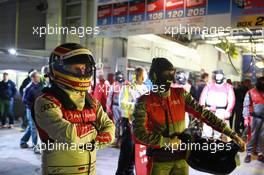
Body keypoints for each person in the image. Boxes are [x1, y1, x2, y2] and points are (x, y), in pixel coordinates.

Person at [132, 58, 245, 175]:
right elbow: (138, 134)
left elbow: (205, 115)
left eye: (171, 74)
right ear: (154, 75)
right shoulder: (144, 101)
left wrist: (232, 134)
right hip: (159, 160)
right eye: (166, 74)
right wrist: (166, 142)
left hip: (182, 158)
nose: (169, 78)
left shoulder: (181, 94)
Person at [34, 43, 115, 175]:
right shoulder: (46, 101)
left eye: (85, 68)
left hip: (91, 170)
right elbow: (70, 135)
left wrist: (89, 141)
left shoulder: (91, 100)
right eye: (77, 69)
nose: (82, 72)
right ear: (58, 68)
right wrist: (96, 131)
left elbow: (111, 131)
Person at [116, 67, 148, 175]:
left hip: (141, 125)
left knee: (136, 153)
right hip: (129, 123)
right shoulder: (127, 87)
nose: (146, 76)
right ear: (141, 75)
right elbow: (122, 104)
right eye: (145, 74)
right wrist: (136, 106)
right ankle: (120, 172)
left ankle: (130, 172)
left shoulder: (145, 88)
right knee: (127, 151)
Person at [199, 70, 235, 139]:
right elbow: (202, 97)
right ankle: (205, 143)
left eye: (220, 76)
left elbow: (231, 99)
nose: (218, 78)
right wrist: (202, 107)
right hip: (209, 109)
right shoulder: (209, 85)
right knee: (206, 128)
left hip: (221, 111)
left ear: (223, 77)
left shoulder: (228, 87)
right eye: (217, 76)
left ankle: (216, 142)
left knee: (218, 130)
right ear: (215, 77)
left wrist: (228, 110)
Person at [20, 70, 43, 153]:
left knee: (31, 127)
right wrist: (33, 105)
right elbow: (24, 100)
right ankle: (35, 147)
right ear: (33, 78)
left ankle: (23, 141)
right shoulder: (29, 88)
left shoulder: (40, 85)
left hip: (38, 110)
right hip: (31, 110)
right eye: (37, 76)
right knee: (34, 128)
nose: (39, 77)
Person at [243, 76, 264, 163]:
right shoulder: (250, 92)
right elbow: (246, 106)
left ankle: (260, 154)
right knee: (252, 136)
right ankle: (248, 153)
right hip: (254, 118)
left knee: (262, 137)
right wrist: (246, 118)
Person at [106, 71, 127, 146]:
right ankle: (116, 139)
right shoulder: (113, 85)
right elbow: (109, 97)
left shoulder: (127, 84)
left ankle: (123, 140)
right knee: (116, 123)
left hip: (125, 107)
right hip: (116, 106)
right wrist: (108, 108)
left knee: (124, 124)